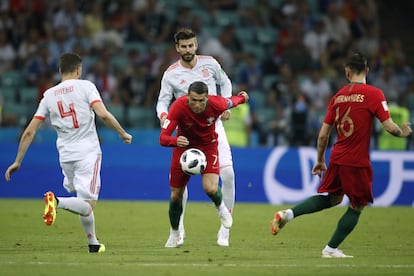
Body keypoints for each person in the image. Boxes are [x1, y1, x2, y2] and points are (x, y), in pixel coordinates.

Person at [270, 52, 412, 258]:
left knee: (334, 198)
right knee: (358, 204)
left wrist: (320, 160)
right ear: (367, 71)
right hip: (357, 161)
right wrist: (404, 132)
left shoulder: (338, 97)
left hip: (337, 156)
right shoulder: (374, 94)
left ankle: (287, 214)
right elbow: (389, 127)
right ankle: (330, 249)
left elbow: (322, 135)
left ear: (347, 72)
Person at [4, 53, 132, 253]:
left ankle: (93, 244)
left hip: (65, 155)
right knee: (88, 205)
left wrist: (18, 160)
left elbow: (30, 130)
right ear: (79, 69)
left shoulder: (49, 95)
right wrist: (122, 133)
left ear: (60, 71)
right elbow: (103, 114)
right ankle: (56, 201)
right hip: (88, 152)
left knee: (82, 199)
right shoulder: (87, 87)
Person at [156, 28, 235, 247]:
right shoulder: (171, 73)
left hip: (212, 125)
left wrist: (225, 104)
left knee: (227, 175)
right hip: (186, 131)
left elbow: (226, 82)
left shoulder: (210, 63)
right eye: (183, 46)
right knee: (181, 184)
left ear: (196, 45)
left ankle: (224, 231)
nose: (188, 49)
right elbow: (162, 101)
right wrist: (164, 117)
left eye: (191, 45)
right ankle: (178, 231)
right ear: (177, 48)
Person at [159, 81, 248, 248]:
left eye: (201, 100)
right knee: (176, 195)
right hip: (183, 148)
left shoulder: (216, 103)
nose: (197, 104)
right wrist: (175, 140)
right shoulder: (178, 106)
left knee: (211, 188)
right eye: (194, 100)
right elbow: (163, 138)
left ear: (207, 98)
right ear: (187, 97)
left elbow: (232, 101)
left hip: (208, 146)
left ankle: (222, 210)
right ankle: (174, 232)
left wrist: (243, 97)